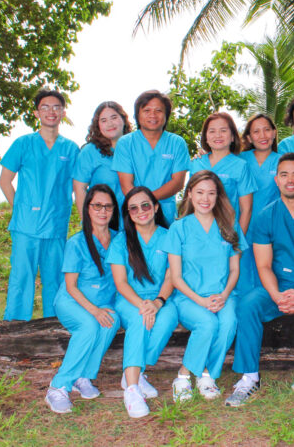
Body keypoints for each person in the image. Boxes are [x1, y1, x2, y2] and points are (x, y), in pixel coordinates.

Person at [226, 153, 294, 407]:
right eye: (284, 175)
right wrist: (277, 296)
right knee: (247, 305)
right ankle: (249, 376)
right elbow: (264, 265)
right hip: (277, 284)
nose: (290, 180)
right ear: (276, 180)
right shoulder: (266, 216)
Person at [163, 171, 247, 402]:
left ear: (218, 196)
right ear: (189, 194)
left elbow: (234, 270)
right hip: (189, 297)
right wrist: (200, 300)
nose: (205, 198)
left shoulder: (229, 225)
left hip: (223, 294)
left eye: (211, 193)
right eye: (200, 192)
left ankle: (207, 375)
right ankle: (183, 377)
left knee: (228, 323)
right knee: (208, 323)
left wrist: (224, 295)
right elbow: (175, 277)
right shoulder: (179, 228)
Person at [0, 89, 79, 321]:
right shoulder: (23, 144)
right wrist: (20, 210)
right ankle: (14, 325)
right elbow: (4, 181)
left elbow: (78, 186)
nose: (51, 111)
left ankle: (53, 325)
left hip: (56, 225)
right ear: (36, 113)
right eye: (45, 107)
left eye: (56, 107)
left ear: (63, 113)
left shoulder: (71, 149)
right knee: (21, 278)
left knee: (55, 280)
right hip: (26, 226)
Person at [45, 185, 122, 413]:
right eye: (97, 205)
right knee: (89, 326)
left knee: (111, 321)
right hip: (72, 301)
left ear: (113, 210)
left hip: (103, 302)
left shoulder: (119, 240)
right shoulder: (77, 242)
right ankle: (58, 386)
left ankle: (83, 377)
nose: (102, 211)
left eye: (107, 206)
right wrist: (94, 311)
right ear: (87, 208)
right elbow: (71, 286)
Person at [107, 187, 178, 418]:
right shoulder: (121, 241)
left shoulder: (169, 237)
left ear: (156, 207)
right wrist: (143, 305)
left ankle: (134, 371)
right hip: (130, 299)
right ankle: (132, 389)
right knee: (140, 321)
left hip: (161, 298)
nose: (141, 211)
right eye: (134, 208)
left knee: (168, 319)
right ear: (128, 214)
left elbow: (171, 276)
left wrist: (157, 302)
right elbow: (121, 283)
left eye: (145, 205)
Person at [112, 90, 189, 225]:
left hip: (166, 214)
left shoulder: (177, 143)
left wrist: (147, 202)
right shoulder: (126, 143)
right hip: (135, 213)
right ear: (137, 115)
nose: (152, 115)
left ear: (166, 115)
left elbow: (178, 182)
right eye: (146, 110)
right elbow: (126, 184)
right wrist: (142, 206)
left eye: (158, 110)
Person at [189, 112, 257, 236]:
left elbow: (246, 210)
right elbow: (189, 203)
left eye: (223, 130)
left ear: (232, 137)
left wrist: (237, 242)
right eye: (212, 131)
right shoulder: (196, 163)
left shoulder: (241, 166)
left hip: (226, 235)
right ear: (206, 137)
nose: (218, 135)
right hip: (196, 234)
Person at [239, 114, 281, 288]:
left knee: (268, 277)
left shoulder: (283, 161)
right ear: (249, 137)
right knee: (241, 276)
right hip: (242, 226)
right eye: (256, 132)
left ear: (274, 133)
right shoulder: (239, 159)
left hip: (272, 229)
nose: (262, 136)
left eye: (267, 130)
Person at [73, 102, 133, 218]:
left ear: (124, 119)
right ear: (98, 125)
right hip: (103, 221)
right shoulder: (90, 152)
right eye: (103, 120)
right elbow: (79, 188)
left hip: (137, 220)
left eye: (114, 117)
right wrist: (87, 222)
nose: (110, 124)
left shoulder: (136, 147)